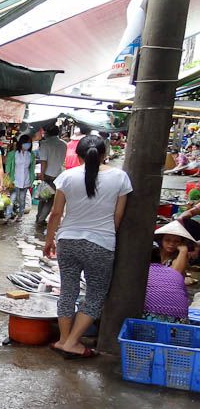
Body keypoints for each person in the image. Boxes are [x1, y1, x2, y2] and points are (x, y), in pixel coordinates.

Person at [44, 135, 132, 359]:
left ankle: (65, 339)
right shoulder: (120, 177)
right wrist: (106, 238)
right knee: (94, 294)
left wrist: (49, 241)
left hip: (67, 241)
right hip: (101, 243)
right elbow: (118, 217)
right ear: (104, 153)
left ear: (79, 155)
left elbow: (55, 214)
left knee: (68, 291)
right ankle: (71, 343)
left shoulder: (66, 177)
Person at [143, 221, 195, 323]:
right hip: (151, 302)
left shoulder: (179, 258)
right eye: (167, 240)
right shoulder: (153, 255)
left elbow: (173, 276)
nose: (171, 244)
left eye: (176, 241)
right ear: (161, 240)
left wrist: (183, 251)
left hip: (171, 307)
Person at [36, 125, 68, 227]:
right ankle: (41, 218)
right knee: (50, 199)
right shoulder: (64, 144)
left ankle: (39, 218)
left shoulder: (45, 144)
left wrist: (42, 174)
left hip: (47, 175)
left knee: (43, 197)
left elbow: (43, 161)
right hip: (58, 175)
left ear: (47, 133)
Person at [5, 133, 35, 222]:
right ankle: (8, 215)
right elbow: (8, 167)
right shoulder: (13, 154)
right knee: (12, 198)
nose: (28, 145)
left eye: (29, 143)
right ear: (21, 143)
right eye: (26, 143)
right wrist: (6, 179)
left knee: (22, 199)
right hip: (14, 180)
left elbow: (32, 169)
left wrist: (32, 180)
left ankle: (20, 215)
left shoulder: (31, 155)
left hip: (26, 180)